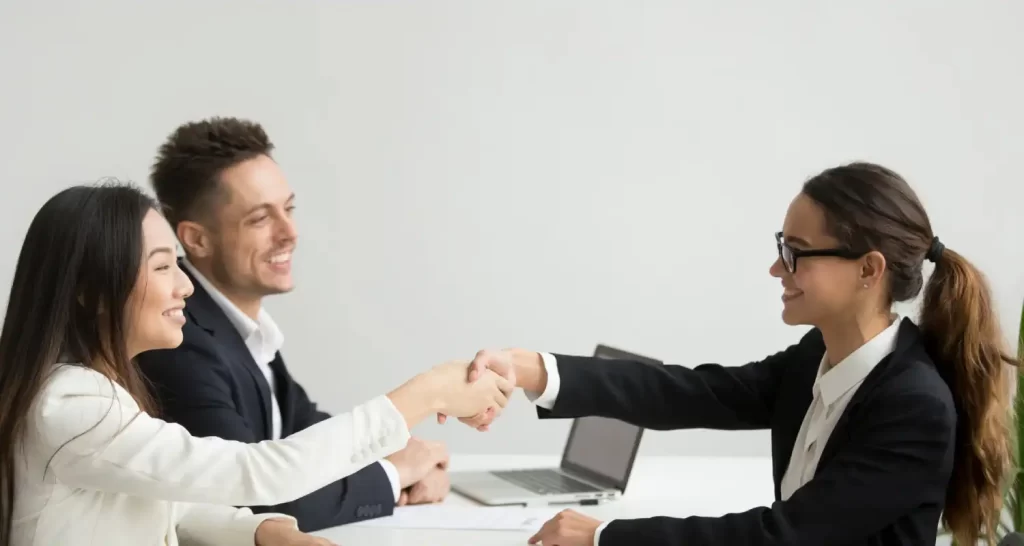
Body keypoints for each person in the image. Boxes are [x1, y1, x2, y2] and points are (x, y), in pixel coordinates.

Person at [463, 162, 1017, 546]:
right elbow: (690, 393)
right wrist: (532, 369)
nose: (777, 269)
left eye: (795, 254)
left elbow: (784, 536)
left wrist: (607, 536)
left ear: (868, 271)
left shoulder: (913, 406)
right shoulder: (814, 360)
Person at [0, 183, 510, 546]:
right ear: (92, 293)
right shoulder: (70, 406)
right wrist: (427, 394)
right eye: (161, 266)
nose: (184, 285)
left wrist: (262, 531)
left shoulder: (95, 393)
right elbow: (256, 472)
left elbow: (165, 499)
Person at [134, 117, 457, 531]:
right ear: (196, 239)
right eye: (259, 219)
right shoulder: (179, 341)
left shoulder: (241, 329)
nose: (290, 233)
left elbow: (303, 430)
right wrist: (395, 477)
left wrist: (401, 456)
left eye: (288, 209)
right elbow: (259, 501)